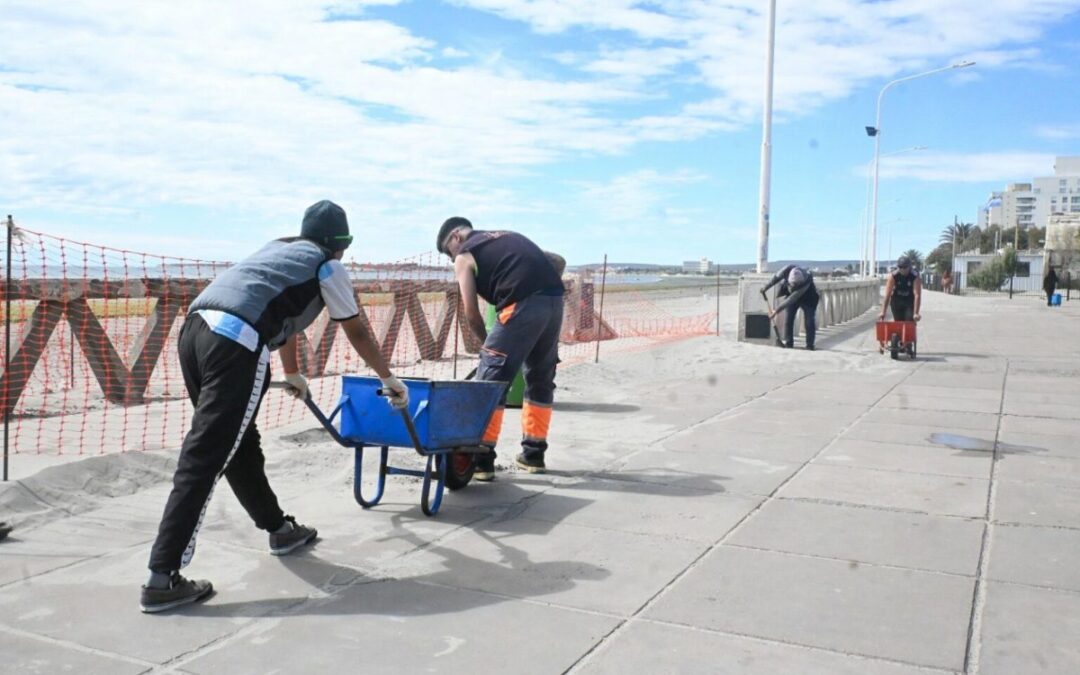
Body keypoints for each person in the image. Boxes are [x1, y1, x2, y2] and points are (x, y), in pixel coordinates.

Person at [141, 200, 409, 614]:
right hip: (236, 342)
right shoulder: (329, 265)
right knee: (207, 455)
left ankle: (279, 529)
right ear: (341, 243)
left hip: (194, 333)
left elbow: (278, 314)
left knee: (239, 445)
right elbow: (355, 327)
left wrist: (292, 371)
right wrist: (388, 379)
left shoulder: (277, 250)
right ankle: (163, 577)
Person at [437, 217, 564, 478]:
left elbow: (472, 313)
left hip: (520, 305)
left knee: (490, 381)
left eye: (448, 253)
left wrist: (488, 349)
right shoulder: (507, 235)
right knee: (540, 378)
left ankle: (482, 461)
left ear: (456, 238)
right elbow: (556, 261)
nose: (453, 260)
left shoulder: (464, 254)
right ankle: (534, 455)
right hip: (554, 303)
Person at [764, 264, 819, 350]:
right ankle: (789, 343)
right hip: (792, 295)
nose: (794, 286)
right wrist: (765, 288)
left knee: (809, 322)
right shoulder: (785, 270)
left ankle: (809, 345)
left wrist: (776, 311)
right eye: (792, 285)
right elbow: (775, 279)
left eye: (796, 285)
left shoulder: (806, 280)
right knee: (788, 320)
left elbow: (791, 299)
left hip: (809, 298)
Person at [880, 255, 922, 323]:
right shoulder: (894, 275)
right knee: (898, 323)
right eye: (900, 267)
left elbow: (917, 295)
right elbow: (888, 295)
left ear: (909, 267)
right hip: (897, 301)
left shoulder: (914, 276)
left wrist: (916, 313)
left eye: (905, 267)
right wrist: (883, 312)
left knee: (909, 322)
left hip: (909, 301)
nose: (902, 269)